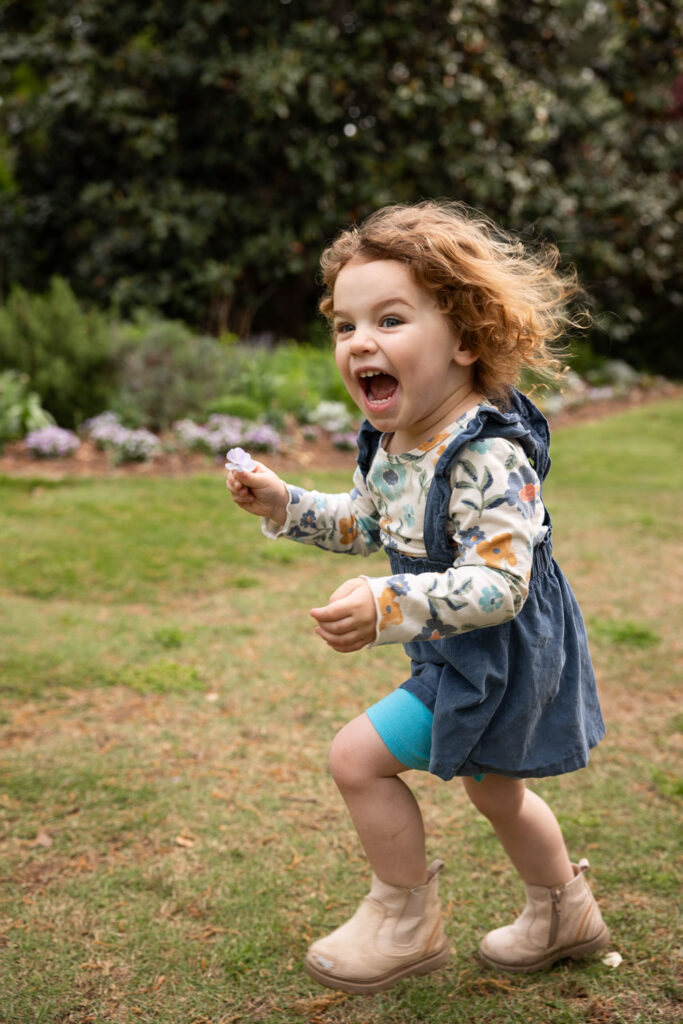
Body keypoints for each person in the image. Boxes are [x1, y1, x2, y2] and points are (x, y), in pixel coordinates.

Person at [226, 201, 609, 995]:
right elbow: (362, 523)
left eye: (390, 320)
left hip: (496, 658)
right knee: (495, 791)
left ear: (465, 338)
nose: (359, 341)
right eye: (345, 325)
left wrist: (386, 603)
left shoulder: (488, 456)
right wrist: (284, 503)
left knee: (356, 759)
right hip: (457, 652)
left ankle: (403, 923)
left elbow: (502, 585)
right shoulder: (395, 443)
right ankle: (564, 914)